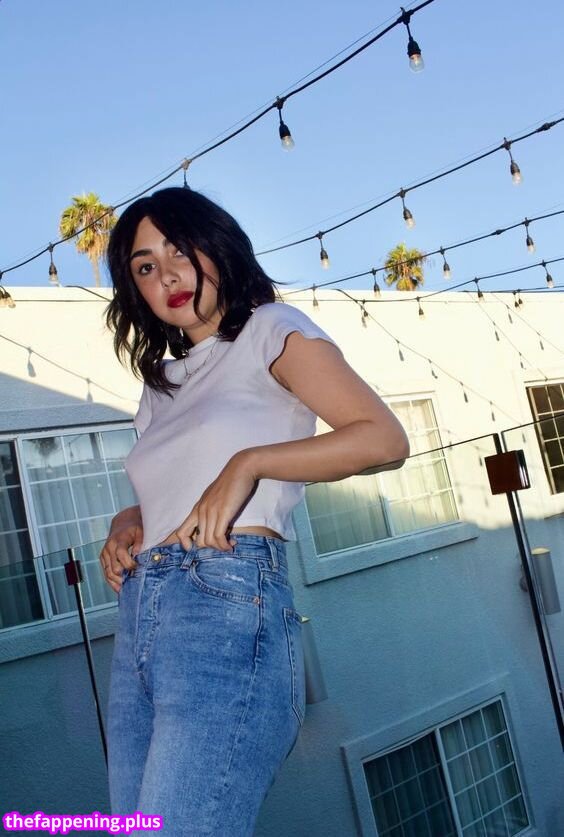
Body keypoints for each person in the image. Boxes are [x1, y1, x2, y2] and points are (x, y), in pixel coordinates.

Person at [100, 186, 409, 836]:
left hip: (224, 598)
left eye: (179, 250)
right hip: (141, 614)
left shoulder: (272, 328)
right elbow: (175, 491)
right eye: (145, 266)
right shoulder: (160, 385)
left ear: (219, 247)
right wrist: (127, 523)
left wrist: (250, 463)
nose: (168, 275)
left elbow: (383, 439)